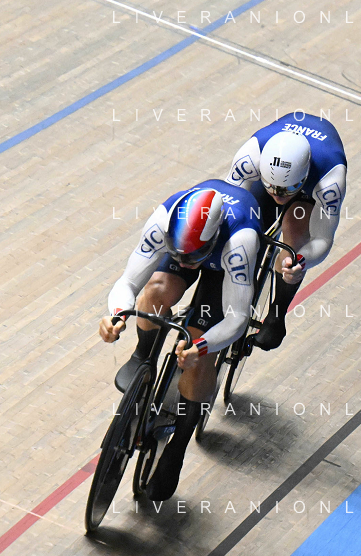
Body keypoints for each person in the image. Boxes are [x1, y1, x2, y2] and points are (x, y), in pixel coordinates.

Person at [99, 180, 260, 501]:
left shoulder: (240, 242)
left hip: (222, 268)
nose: (185, 263)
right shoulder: (162, 221)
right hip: (195, 245)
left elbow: (237, 318)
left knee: (199, 355)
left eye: (192, 256)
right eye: (179, 255)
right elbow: (128, 282)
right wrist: (116, 315)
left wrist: (202, 347)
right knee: (154, 293)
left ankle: (179, 443)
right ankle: (143, 355)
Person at [225, 112, 347, 350]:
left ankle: (276, 314)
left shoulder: (330, 180)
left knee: (296, 241)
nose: (278, 196)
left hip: (309, 187)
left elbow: (322, 238)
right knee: (243, 225)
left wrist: (300, 260)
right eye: (272, 188)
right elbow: (228, 207)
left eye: (287, 190)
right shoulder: (251, 156)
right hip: (277, 173)